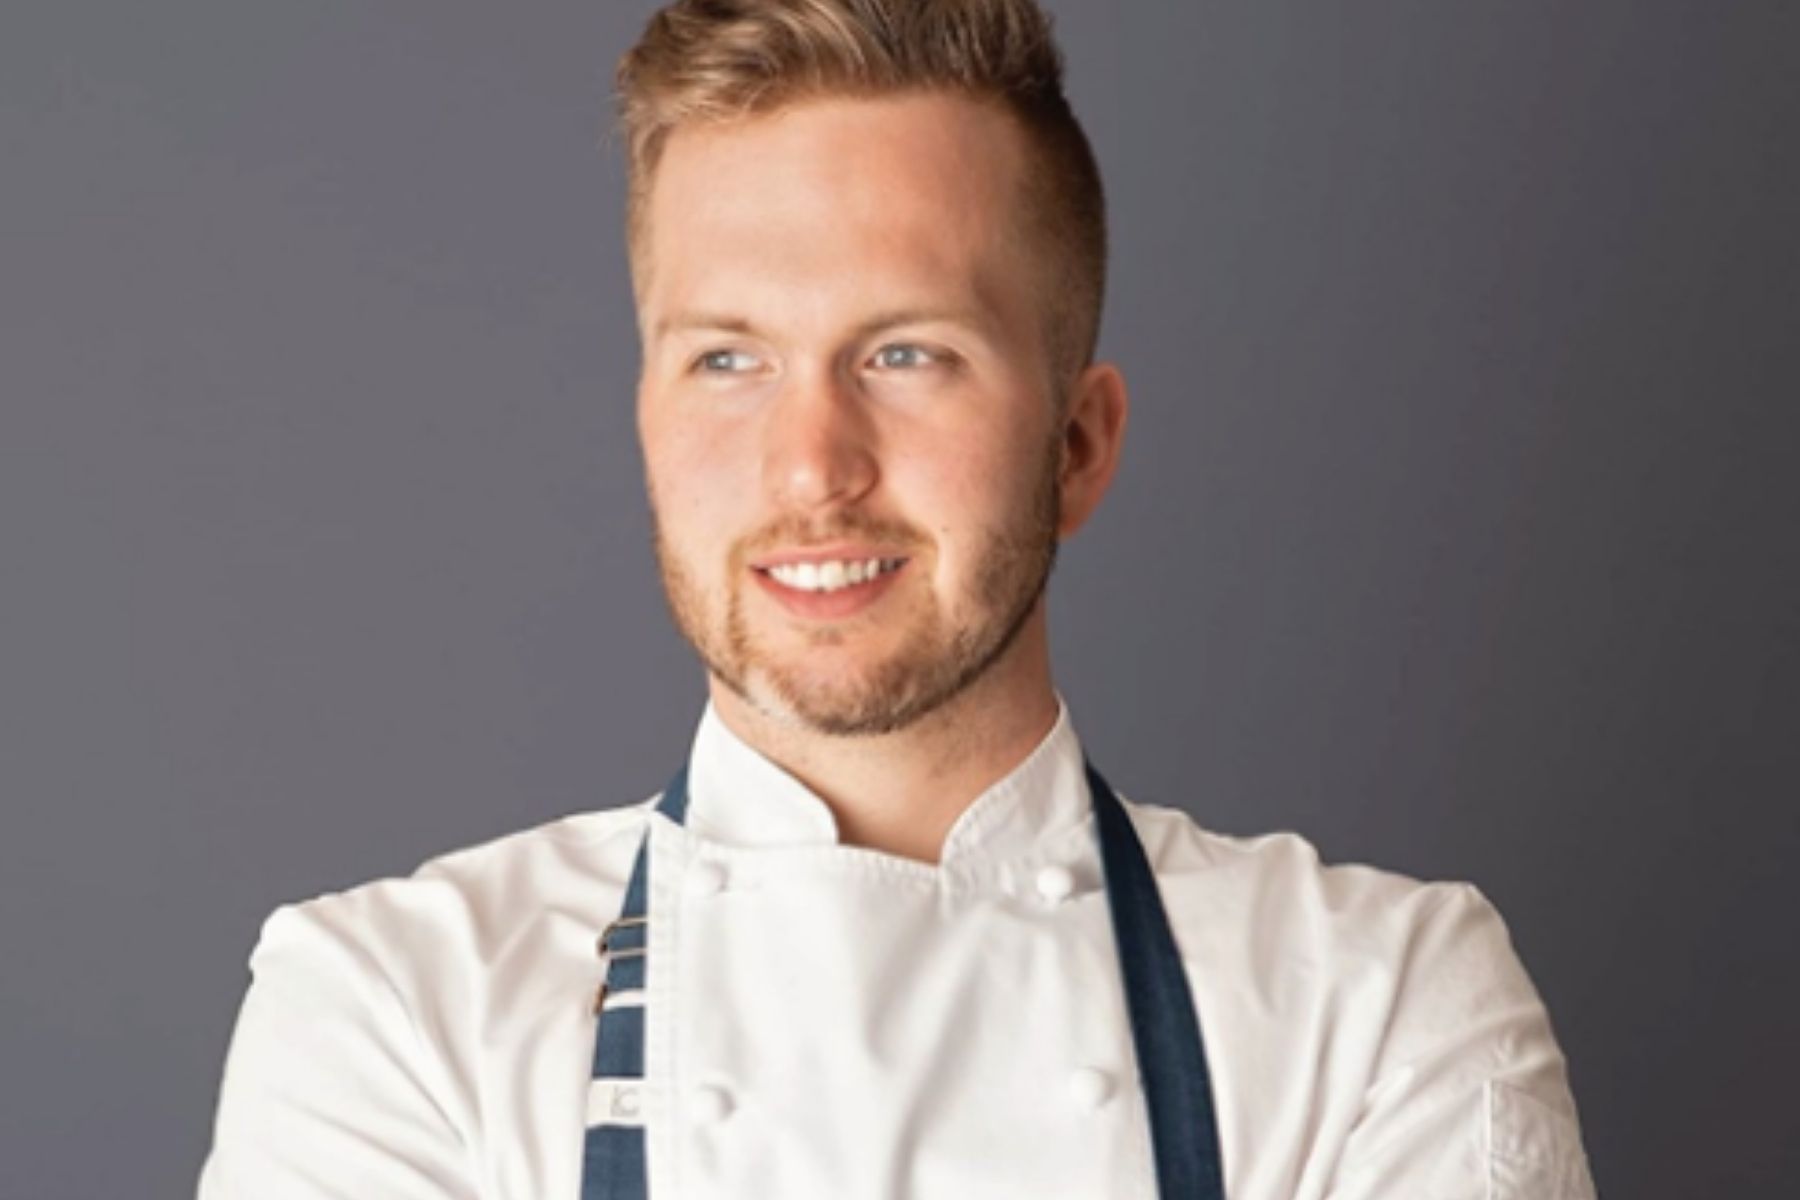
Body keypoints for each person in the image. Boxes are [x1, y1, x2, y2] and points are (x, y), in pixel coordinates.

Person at [197, 2, 1596, 1197]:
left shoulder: (1382, 1006)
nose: (813, 467)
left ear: (1078, 445)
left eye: (909, 354)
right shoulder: (390, 1013)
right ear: (645, 415)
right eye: (728, 361)